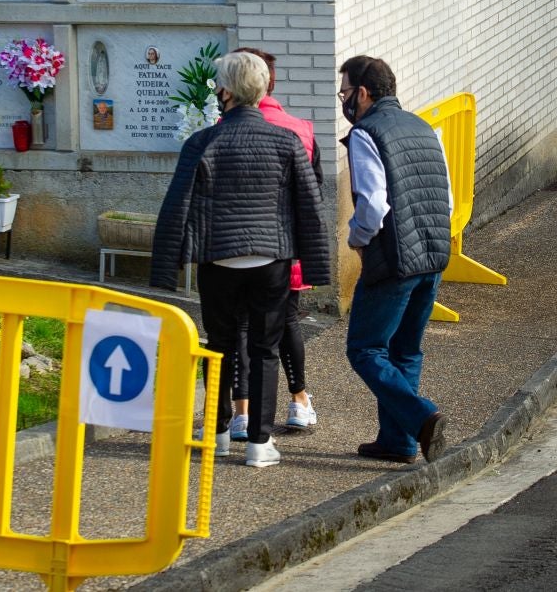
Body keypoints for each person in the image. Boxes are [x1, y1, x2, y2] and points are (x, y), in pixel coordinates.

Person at [151, 51, 329, 467]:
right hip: (272, 258)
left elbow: (176, 205)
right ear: (264, 89)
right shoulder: (286, 142)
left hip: (217, 259)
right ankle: (258, 445)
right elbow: (309, 204)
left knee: (220, 346)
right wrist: (317, 265)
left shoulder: (202, 142)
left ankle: (216, 435)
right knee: (265, 349)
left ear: (224, 91)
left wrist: (165, 267)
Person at [339, 55, 452, 464]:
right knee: (406, 351)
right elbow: (448, 195)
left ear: (363, 94)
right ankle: (399, 441)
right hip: (434, 254)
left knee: (366, 349)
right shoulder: (424, 127)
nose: (344, 101)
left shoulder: (365, 134)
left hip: (393, 257)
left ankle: (421, 419)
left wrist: (357, 239)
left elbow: (373, 203)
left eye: (345, 93)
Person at [223, 47, 322, 442]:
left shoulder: (222, 129)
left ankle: (243, 413)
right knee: (287, 322)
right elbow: (312, 194)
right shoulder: (301, 128)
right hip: (286, 248)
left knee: (242, 329)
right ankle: (298, 402)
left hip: (234, 249)